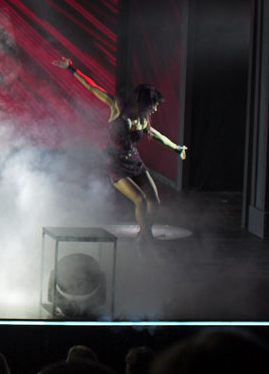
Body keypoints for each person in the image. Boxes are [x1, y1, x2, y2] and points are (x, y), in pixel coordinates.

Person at [54, 56, 188, 245]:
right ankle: (147, 241)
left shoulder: (143, 119)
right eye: (154, 105)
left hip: (134, 161)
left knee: (154, 201)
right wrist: (71, 68)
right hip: (116, 164)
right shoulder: (118, 107)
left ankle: (144, 234)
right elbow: (92, 88)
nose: (155, 109)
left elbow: (156, 135)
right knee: (140, 200)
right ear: (144, 102)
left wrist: (176, 148)